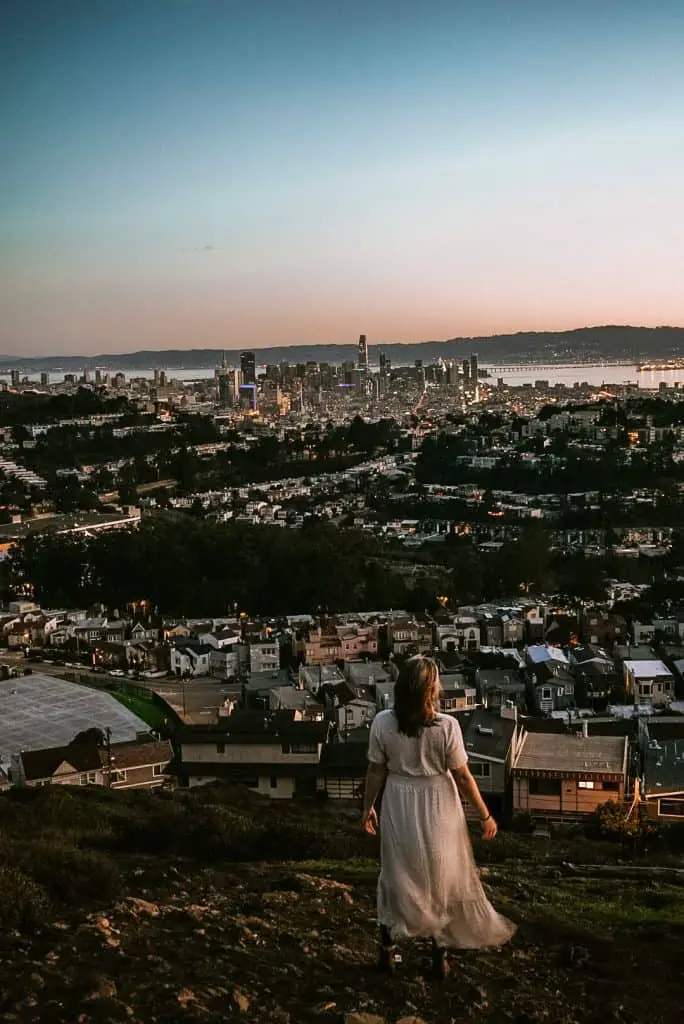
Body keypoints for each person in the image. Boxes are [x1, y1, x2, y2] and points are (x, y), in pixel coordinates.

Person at [361, 654, 516, 978]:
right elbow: (462, 776)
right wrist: (485, 815)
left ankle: (387, 951)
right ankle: (439, 956)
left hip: (399, 800)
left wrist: (367, 807)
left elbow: (375, 771)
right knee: (440, 877)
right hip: (438, 803)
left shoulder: (382, 723)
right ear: (430, 691)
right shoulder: (447, 727)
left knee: (397, 875)